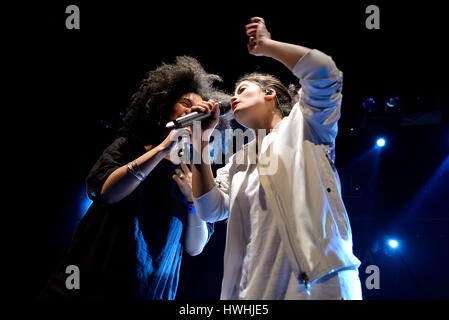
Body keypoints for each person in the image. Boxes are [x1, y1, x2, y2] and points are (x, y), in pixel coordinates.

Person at [190, 17, 363, 300]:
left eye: (242, 90)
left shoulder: (306, 126)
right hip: (253, 290)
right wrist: (200, 144)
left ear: (270, 94)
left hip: (317, 284)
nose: (233, 99)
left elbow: (326, 73)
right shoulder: (237, 161)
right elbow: (211, 210)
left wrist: (267, 47)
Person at [40, 56, 223, 300]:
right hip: (93, 284)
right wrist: (162, 150)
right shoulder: (131, 146)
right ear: (165, 106)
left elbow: (194, 247)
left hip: (148, 292)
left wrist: (193, 202)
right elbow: (106, 192)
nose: (192, 110)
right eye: (185, 102)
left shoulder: (193, 172)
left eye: (198, 108)